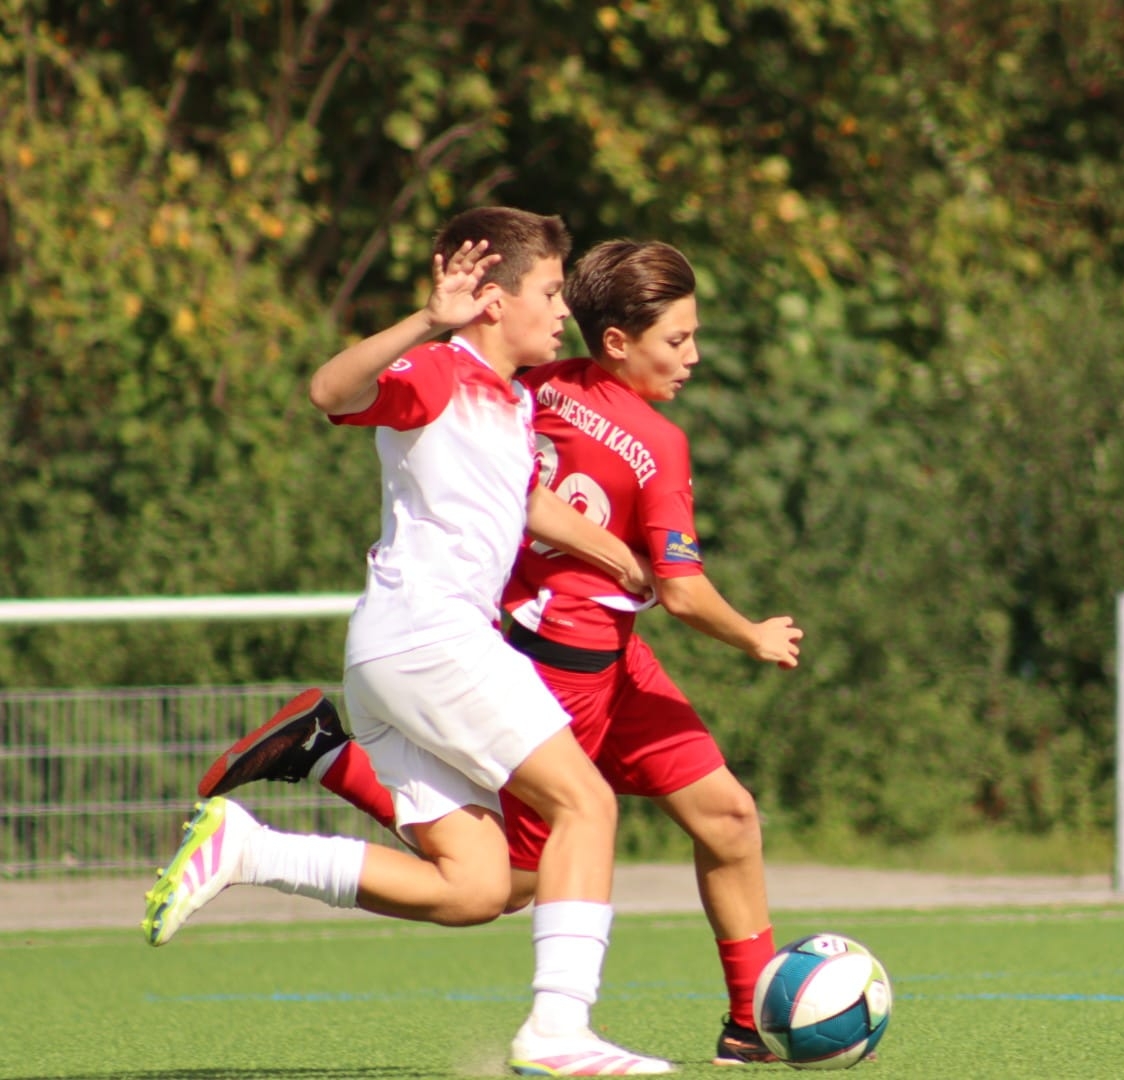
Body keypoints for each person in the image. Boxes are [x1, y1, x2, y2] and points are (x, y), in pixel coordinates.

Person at [198, 239, 803, 1066]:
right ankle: (331, 763)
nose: (694, 355)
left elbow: (524, 495)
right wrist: (754, 633)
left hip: (619, 661)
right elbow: (681, 590)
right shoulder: (608, 419)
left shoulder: (530, 387)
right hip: (555, 665)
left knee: (728, 816)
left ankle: (751, 1023)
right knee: (501, 882)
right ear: (617, 340)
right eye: (678, 339)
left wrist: (604, 553)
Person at [142, 207, 673, 1077]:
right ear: (493, 301)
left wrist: (616, 556)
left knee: (477, 888)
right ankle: (558, 1032)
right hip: (433, 639)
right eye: (548, 292)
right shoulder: (440, 369)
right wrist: (427, 319)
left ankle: (251, 848)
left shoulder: (510, 399)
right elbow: (330, 391)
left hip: (398, 652)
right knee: (587, 805)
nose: (562, 311)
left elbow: (521, 503)